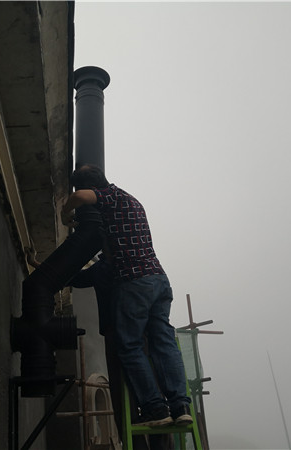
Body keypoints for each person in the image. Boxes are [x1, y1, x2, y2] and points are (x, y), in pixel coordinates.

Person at [61, 164, 192, 428]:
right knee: (163, 343)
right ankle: (180, 407)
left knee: (130, 346)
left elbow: (79, 197)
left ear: (91, 186)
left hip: (134, 281)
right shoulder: (131, 201)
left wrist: (65, 215)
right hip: (158, 280)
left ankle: (155, 409)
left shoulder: (110, 196)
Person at [26, 247, 174, 450]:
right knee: (153, 395)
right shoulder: (131, 264)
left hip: (116, 336)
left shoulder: (102, 268)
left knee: (123, 399)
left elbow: (68, 276)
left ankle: (138, 444)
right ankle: (161, 442)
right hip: (141, 335)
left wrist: (36, 264)